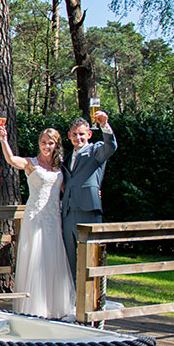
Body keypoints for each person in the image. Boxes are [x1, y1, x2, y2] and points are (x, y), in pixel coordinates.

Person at [0, 123, 75, 318]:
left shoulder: (59, 167)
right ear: (39, 143)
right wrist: (4, 140)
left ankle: (54, 305)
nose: (46, 146)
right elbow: (11, 159)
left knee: (53, 256)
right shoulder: (31, 163)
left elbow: (68, 190)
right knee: (36, 256)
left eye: (50, 143)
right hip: (36, 215)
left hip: (53, 217)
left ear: (56, 145)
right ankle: (34, 306)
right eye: (43, 142)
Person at [61, 112, 116, 285]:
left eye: (82, 134)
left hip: (88, 211)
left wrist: (105, 125)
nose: (78, 137)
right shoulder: (67, 157)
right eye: (75, 134)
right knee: (69, 260)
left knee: (92, 258)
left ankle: (95, 300)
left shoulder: (96, 151)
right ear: (69, 135)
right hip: (68, 213)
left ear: (89, 134)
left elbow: (111, 146)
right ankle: (73, 300)